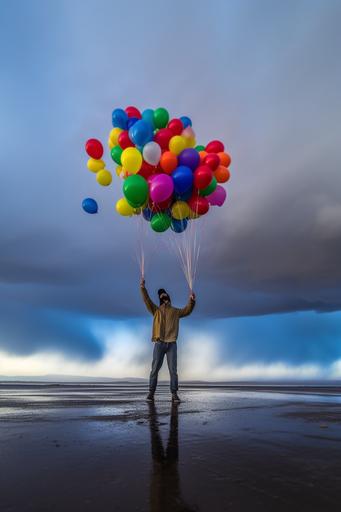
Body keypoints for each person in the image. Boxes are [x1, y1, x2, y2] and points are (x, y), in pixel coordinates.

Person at [140, 278, 196, 403]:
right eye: (161, 296)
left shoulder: (175, 311)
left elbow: (187, 310)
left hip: (171, 344)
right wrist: (143, 288)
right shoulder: (156, 310)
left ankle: (174, 394)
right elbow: (146, 300)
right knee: (154, 369)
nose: (164, 297)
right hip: (159, 343)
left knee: (173, 370)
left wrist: (192, 301)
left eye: (165, 295)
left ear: (168, 297)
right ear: (160, 298)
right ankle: (151, 393)